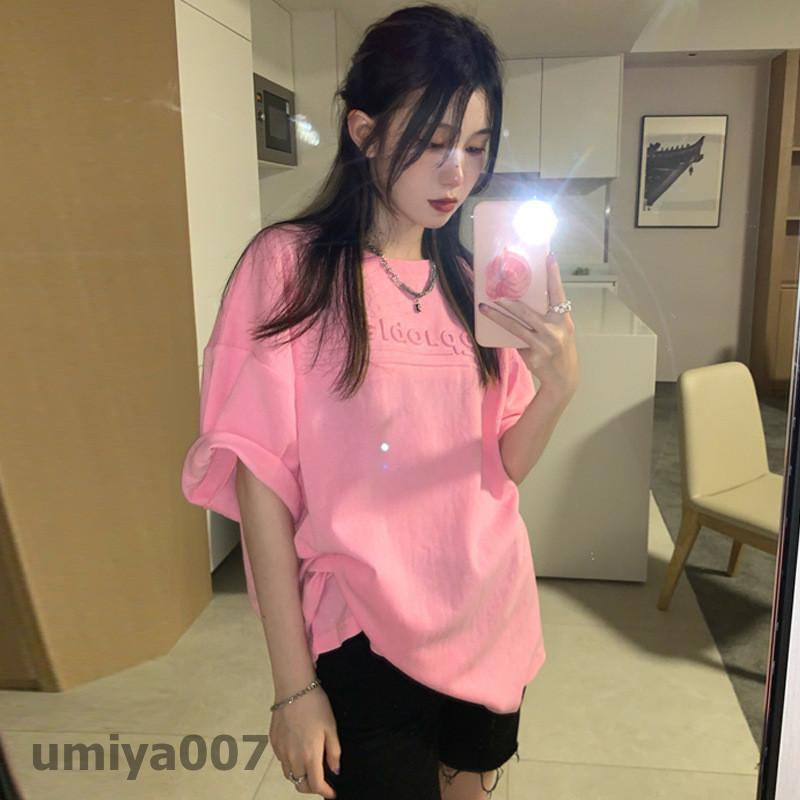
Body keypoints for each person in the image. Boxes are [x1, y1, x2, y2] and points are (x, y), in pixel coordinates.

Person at [180, 4, 579, 799]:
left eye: (476, 146)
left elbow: (501, 467)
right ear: (363, 132)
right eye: (434, 142)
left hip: (489, 615)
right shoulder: (288, 270)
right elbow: (260, 481)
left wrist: (560, 385)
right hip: (359, 634)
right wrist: (293, 686)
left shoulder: (473, 283)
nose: (457, 174)